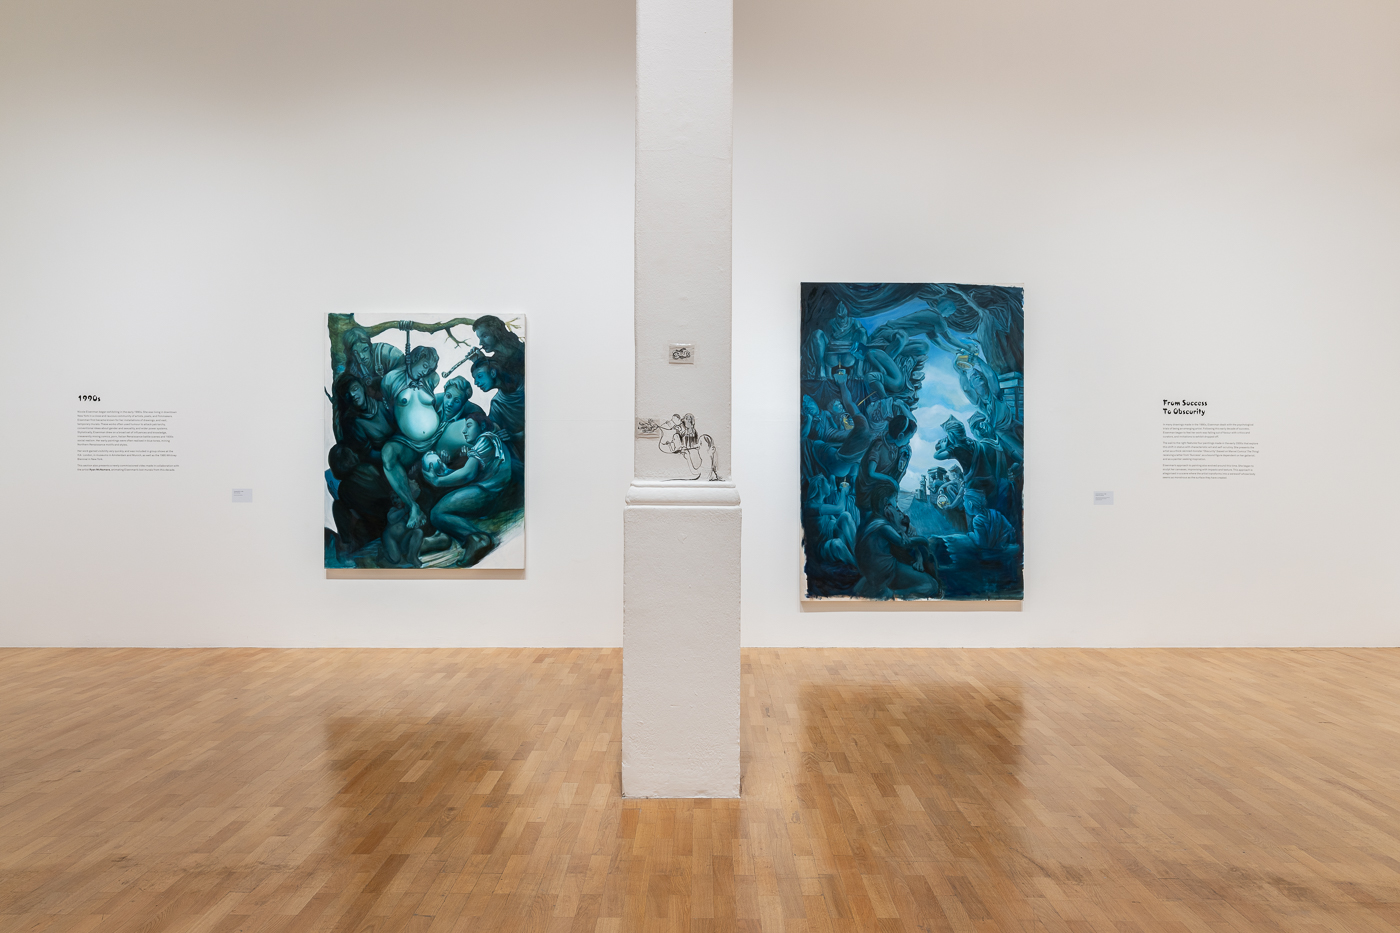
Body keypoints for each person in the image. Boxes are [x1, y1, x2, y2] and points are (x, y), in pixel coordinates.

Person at [422, 413, 514, 566]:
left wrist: (438, 480)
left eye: (469, 425)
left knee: (437, 513)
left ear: (482, 426)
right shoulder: (488, 441)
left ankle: (478, 539)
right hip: (489, 490)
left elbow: (467, 474)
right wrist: (446, 471)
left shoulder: (486, 439)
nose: (464, 431)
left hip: (488, 493)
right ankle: (444, 535)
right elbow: (469, 473)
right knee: (445, 499)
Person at [853, 501, 943, 599]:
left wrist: (919, 556)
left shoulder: (894, 526)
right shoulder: (887, 527)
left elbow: (912, 546)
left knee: (931, 582)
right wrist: (923, 541)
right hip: (886, 569)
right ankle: (893, 594)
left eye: (899, 512)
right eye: (898, 511)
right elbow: (905, 542)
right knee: (931, 585)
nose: (899, 512)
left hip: (889, 567)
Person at [472, 356, 524, 460]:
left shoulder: (524, 385)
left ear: (493, 373)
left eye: (479, 376)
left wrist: (515, 436)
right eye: (474, 379)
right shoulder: (497, 404)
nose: (475, 383)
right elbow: (490, 430)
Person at [333, 374, 394, 455]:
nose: (352, 394)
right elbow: (368, 454)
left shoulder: (381, 405)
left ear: (362, 386)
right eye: (347, 394)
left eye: (355, 389)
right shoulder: (354, 422)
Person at [341, 326, 404, 398]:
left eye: (365, 349)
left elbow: (405, 371)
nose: (361, 356)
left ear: (370, 347)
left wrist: (384, 380)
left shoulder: (388, 353)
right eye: (356, 353)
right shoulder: (353, 370)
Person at [382, 481, 425, 568]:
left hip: (404, 538)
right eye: (393, 499)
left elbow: (421, 517)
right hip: (391, 538)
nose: (395, 501)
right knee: (395, 559)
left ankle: (412, 556)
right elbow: (392, 519)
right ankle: (383, 552)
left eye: (398, 497)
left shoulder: (413, 509)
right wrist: (406, 508)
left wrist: (421, 518)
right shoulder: (393, 510)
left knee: (418, 532)